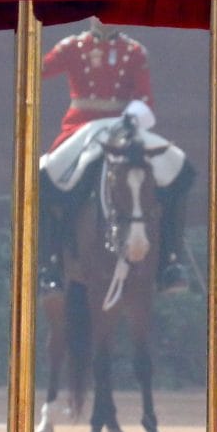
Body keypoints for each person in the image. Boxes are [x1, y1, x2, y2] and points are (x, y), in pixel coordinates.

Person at [39, 17, 190, 294]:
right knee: (45, 176)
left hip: (123, 125)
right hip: (82, 127)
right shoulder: (72, 47)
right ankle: (50, 264)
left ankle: (170, 260)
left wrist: (131, 119)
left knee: (179, 167)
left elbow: (145, 99)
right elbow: (35, 72)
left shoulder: (134, 51)